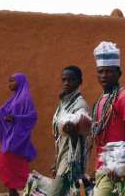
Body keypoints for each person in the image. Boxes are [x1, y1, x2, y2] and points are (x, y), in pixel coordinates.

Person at [91, 41, 125, 196]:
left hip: (117, 167)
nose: (104, 75)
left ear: (119, 73)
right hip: (102, 167)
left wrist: (122, 166)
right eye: (100, 71)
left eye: (109, 71)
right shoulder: (100, 101)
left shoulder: (124, 98)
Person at [49, 66, 91, 196]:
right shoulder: (64, 103)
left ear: (80, 82)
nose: (66, 83)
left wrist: (73, 131)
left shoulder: (80, 104)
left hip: (71, 159)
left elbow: (83, 135)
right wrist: (56, 161)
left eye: (71, 79)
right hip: (62, 155)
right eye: (64, 80)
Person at [0, 73, 38, 196]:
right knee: (4, 163)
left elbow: (32, 117)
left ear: (20, 82)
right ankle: (13, 191)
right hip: (11, 137)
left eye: (12, 81)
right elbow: (4, 111)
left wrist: (16, 118)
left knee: (8, 162)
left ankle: (30, 189)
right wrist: (0, 113)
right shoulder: (15, 98)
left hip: (17, 140)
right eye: (9, 81)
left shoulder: (25, 98)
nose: (10, 84)